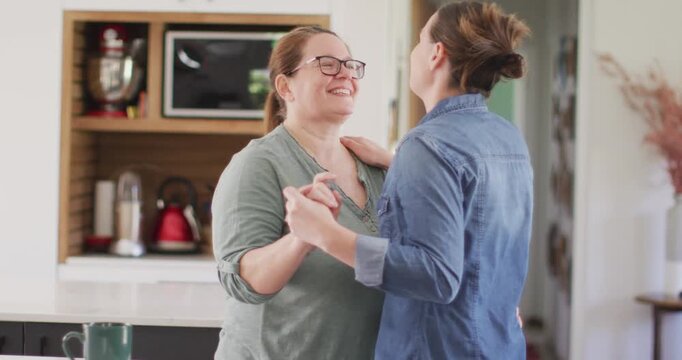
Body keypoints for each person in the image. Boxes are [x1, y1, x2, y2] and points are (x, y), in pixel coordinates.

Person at [283, 2, 533, 359]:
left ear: (436, 55)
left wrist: (324, 233)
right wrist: (401, 165)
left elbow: (436, 275)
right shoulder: (506, 138)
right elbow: (480, 231)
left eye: (419, 41)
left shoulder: (428, 145)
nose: (413, 52)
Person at [211, 26, 386, 359]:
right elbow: (242, 281)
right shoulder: (258, 164)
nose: (346, 74)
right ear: (285, 85)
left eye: (350, 65)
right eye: (328, 64)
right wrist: (301, 238)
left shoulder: (375, 167)